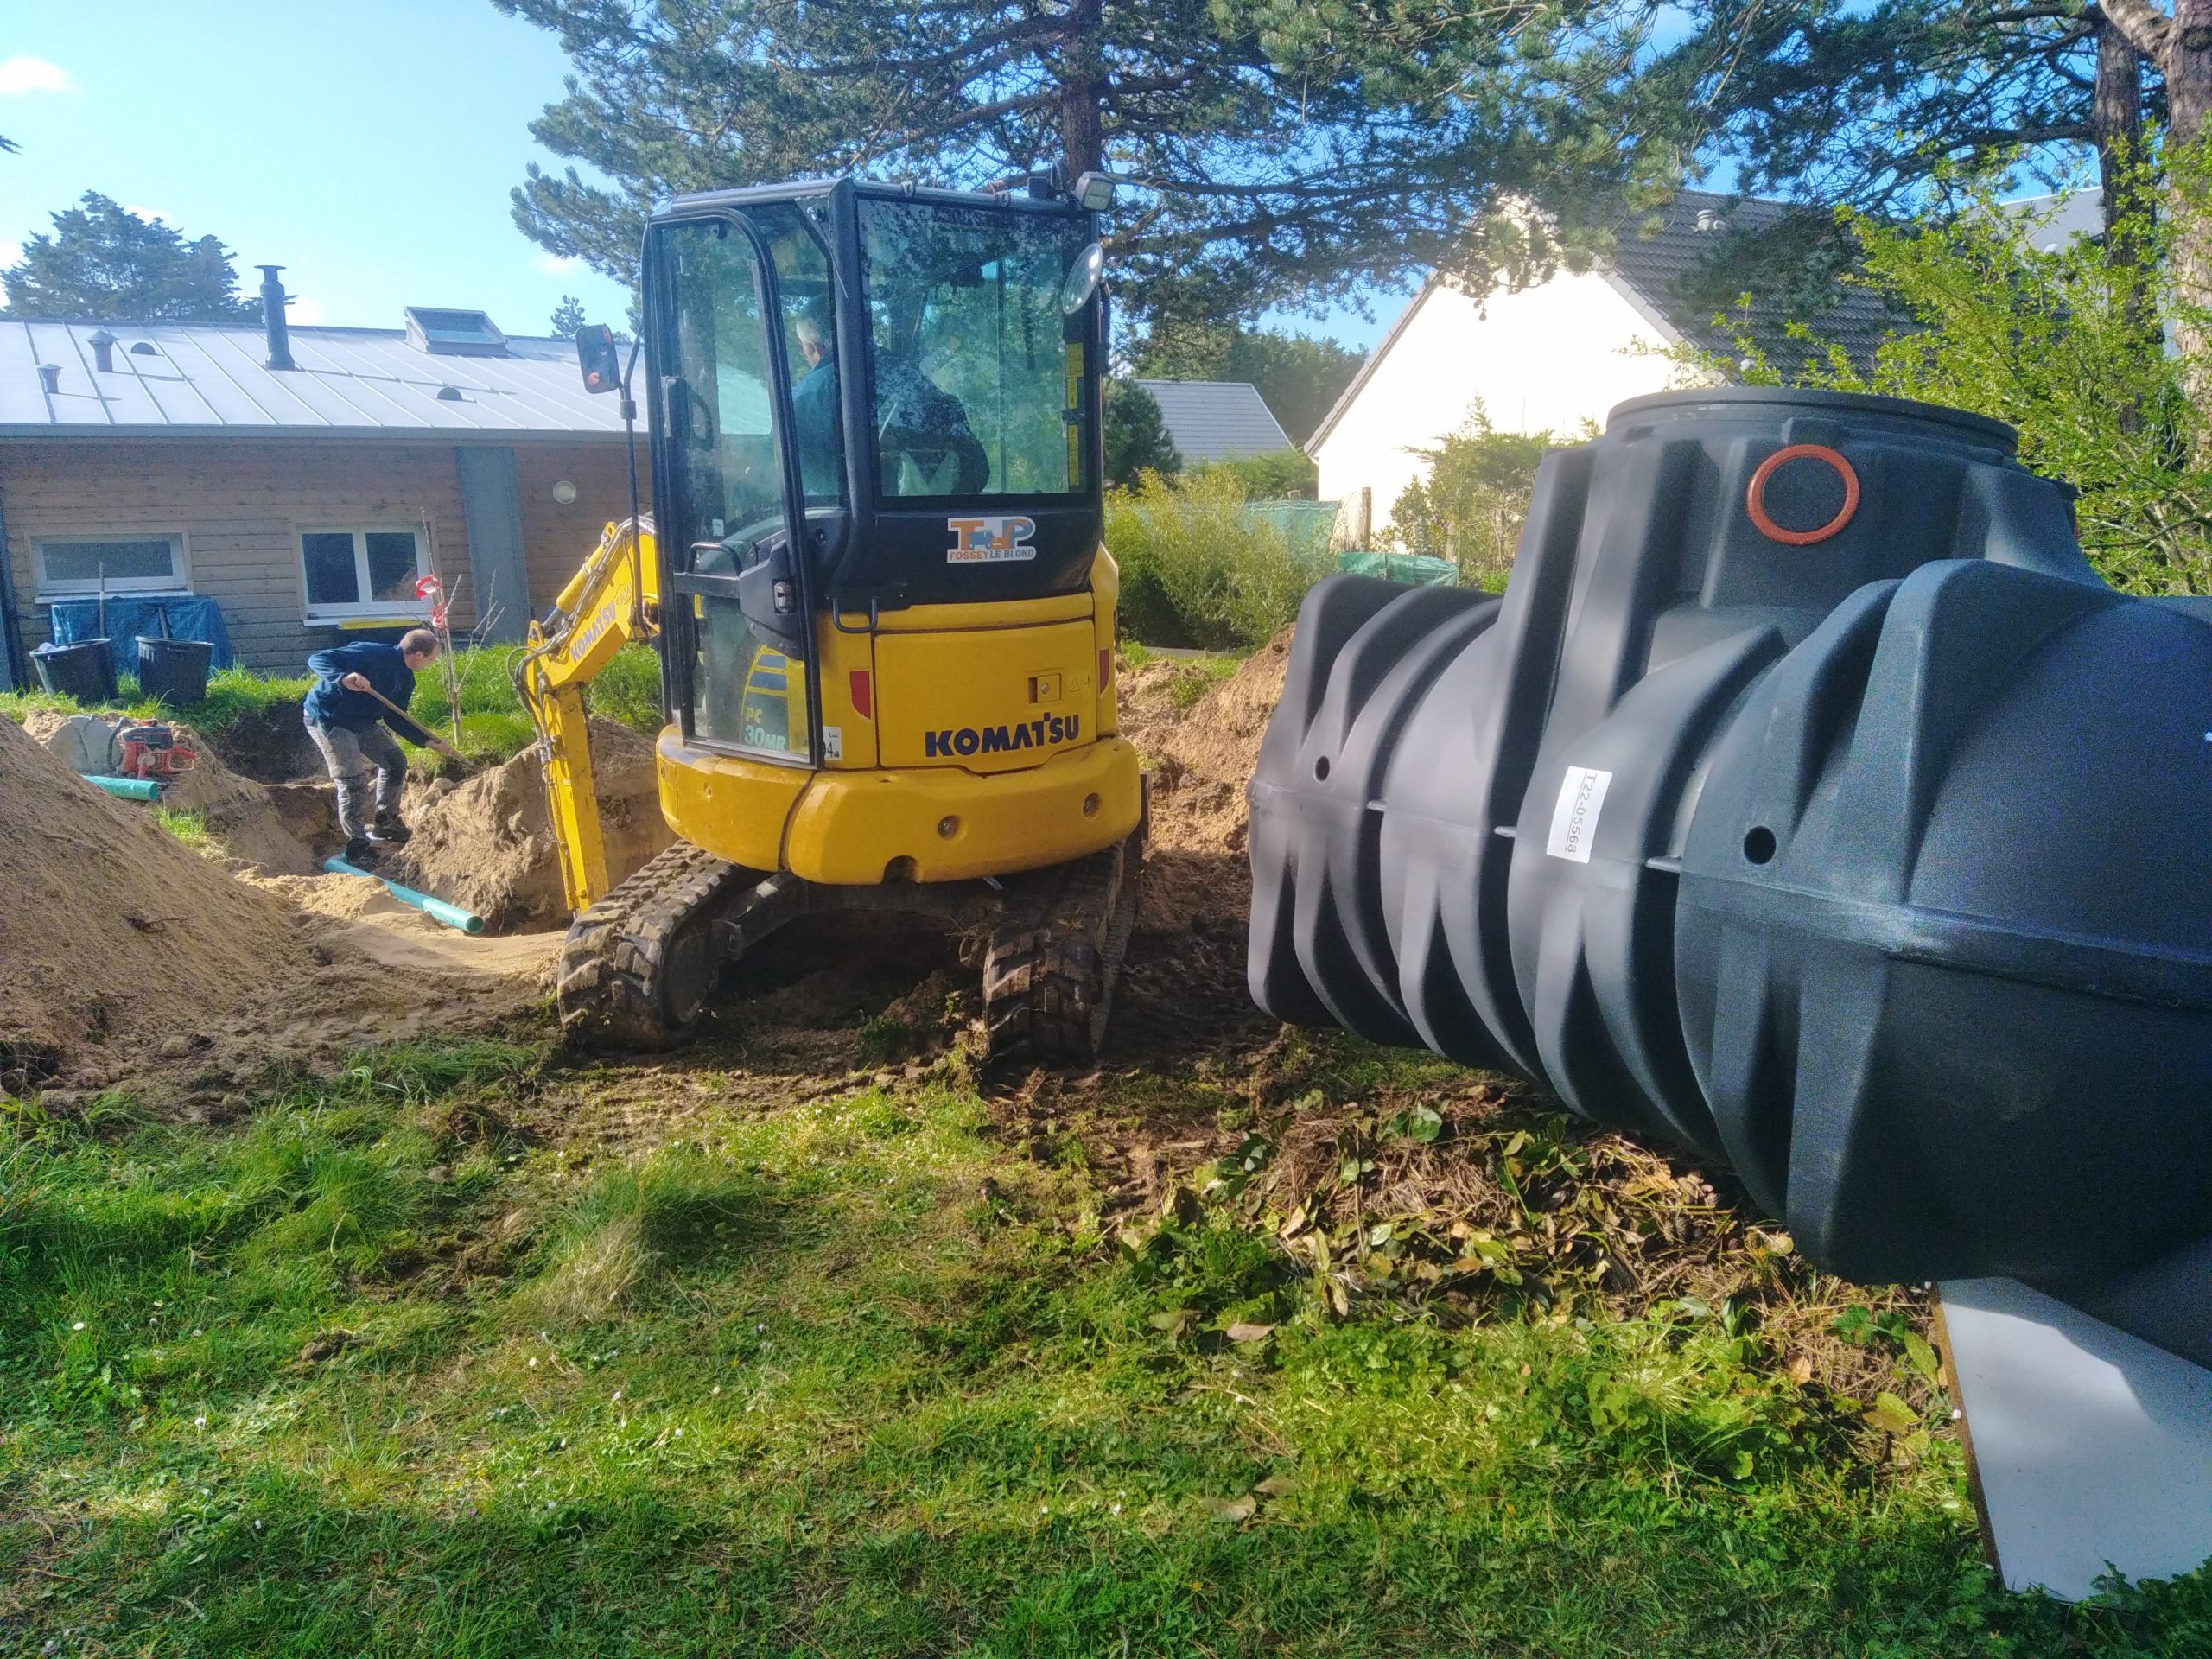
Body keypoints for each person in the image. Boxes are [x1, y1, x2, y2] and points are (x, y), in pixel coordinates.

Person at [302, 628, 457, 866]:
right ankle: (357, 845)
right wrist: (344, 677)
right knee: (353, 780)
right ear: (418, 654)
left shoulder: (406, 679)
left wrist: (428, 742)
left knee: (395, 762)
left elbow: (395, 717)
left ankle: (386, 822)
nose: (432, 662)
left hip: (363, 722)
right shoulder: (371, 653)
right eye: (432, 658)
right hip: (329, 718)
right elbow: (318, 659)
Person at [790, 296, 844, 499]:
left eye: (802, 345)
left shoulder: (804, 397)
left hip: (834, 503)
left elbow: (783, 464)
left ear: (814, 348)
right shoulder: (899, 370)